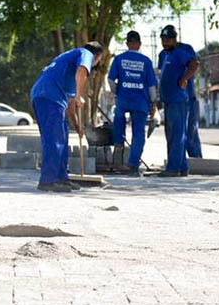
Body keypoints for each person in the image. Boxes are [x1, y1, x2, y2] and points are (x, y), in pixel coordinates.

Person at [29, 42, 105, 193]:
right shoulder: (86, 54)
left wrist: (78, 126)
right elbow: (82, 71)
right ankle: (48, 181)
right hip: (48, 97)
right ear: (97, 56)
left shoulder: (68, 62)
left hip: (49, 98)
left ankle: (61, 178)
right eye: (98, 60)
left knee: (62, 138)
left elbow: (71, 105)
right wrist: (79, 96)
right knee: (54, 139)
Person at [107, 31, 157, 175]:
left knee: (118, 124)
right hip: (140, 102)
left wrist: (117, 91)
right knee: (138, 134)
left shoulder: (119, 59)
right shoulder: (146, 61)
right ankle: (133, 165)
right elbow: (151, 86)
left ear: (127, 44)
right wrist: (153, 102)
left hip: (123, 100)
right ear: (139, 44)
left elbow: (110, 80)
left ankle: (118, 150)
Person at [156, 25, 199, 176]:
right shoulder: (164, 55)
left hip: (179, 99)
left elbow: (194, 64)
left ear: (175, 39)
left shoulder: (181, 53)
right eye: (163, 40)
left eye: (168, 40)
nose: (165, 43)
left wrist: (184, 79)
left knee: (178, 134)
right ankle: (182, 167)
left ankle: (173, 168)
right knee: (172, 134)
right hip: (168, 99)